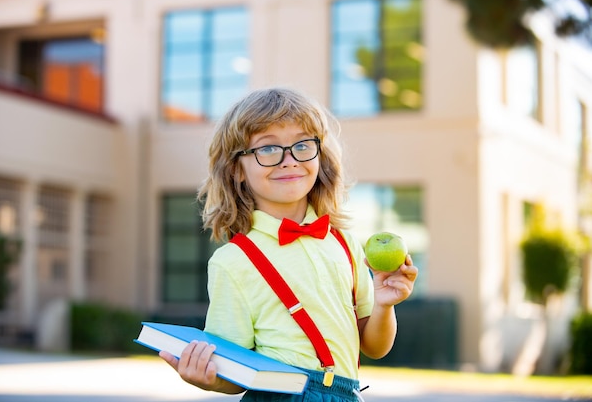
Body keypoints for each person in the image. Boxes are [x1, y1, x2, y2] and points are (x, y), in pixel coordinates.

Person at [159, 87, 418, 401]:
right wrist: (206, 379)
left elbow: (375, 347)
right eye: (268, 149)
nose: (289, 160)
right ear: (237, 169)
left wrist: (383, 304)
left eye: (302, 145)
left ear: (319, 156)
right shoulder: (233, 260)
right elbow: (233, 372)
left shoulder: (344, 243)